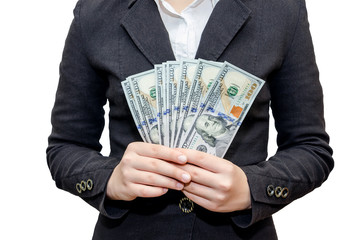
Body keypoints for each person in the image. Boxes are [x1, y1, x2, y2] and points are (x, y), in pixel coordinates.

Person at [46, 0, 334, 239]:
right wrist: (111, 179)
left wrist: (251, 188)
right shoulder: (95, 12)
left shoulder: (281, 10)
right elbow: (65, 146)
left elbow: (310, 148)